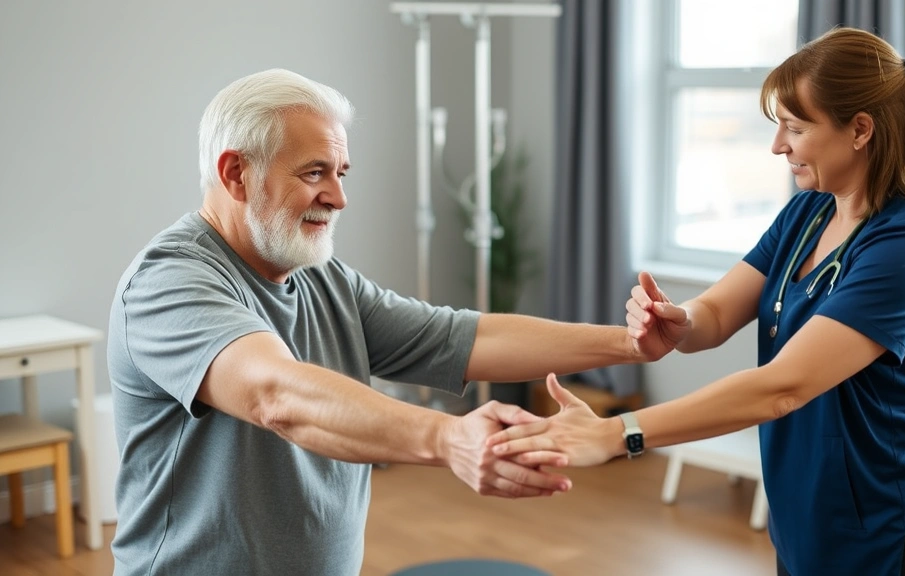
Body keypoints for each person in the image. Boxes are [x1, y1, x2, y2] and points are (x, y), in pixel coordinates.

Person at [106, 68, 667, 576]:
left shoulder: (318, 276)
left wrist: (627, 343)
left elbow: (461, 337)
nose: (339, 196)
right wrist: (449, 437)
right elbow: (274, 394)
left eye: (341, 172)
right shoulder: (168, 282)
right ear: (236, 174)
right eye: (315, 172)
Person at [489, 27, 905, 576]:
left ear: (860, 130)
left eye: (795, 127)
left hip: (888, 533)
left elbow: (782, 387)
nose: (778, 146)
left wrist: (618, 432)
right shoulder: (809, 212)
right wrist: (677, 321)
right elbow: (718, 313)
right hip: (806, 521)